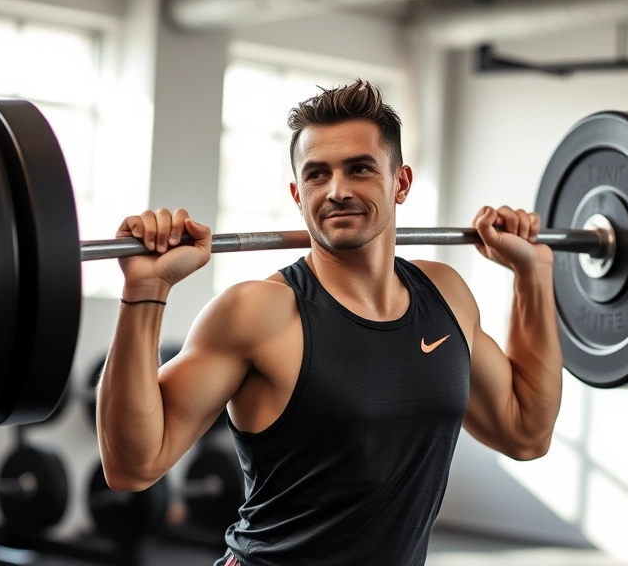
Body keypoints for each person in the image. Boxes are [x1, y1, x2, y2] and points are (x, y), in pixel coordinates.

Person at [96, 80, 563, 565]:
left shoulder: (445, 296)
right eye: (318, 175)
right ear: (298, 194)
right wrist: (145, 291)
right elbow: (132, 465)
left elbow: (526, 431)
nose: (337, 191)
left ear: (400, 182)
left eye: (359, 169)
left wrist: (534, 273)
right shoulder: (258, 312)